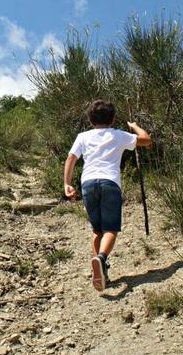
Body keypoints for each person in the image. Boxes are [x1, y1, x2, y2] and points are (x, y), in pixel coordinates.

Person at [63, 99, 152, 291]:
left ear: (90, 119)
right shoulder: (119, 135)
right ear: (112, 119)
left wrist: (67, 184)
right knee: (111, 229)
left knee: (97, 230)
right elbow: (147, 140)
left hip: (87, 184)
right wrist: (135, 127)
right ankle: (101, 259)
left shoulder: (82, 136)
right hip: (110, 183)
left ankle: (101, 273)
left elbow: (71, 158)